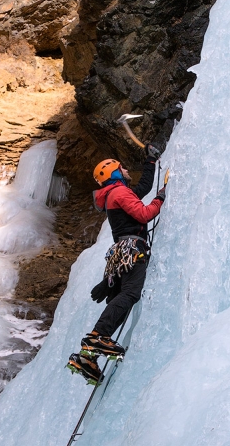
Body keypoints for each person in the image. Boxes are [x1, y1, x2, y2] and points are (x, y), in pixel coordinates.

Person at [68, 144, 165, 382]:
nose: (126, 169)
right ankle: (98, 337)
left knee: (121, 299)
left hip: (122, 252)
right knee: (131, 293)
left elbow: (141, 189)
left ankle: (87, 357)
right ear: (115, 173)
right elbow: (144, 214)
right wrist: (161, 198)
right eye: (122, 168)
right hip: (132, 250)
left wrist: (151, 161)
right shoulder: (119, 194)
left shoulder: (118, 193)